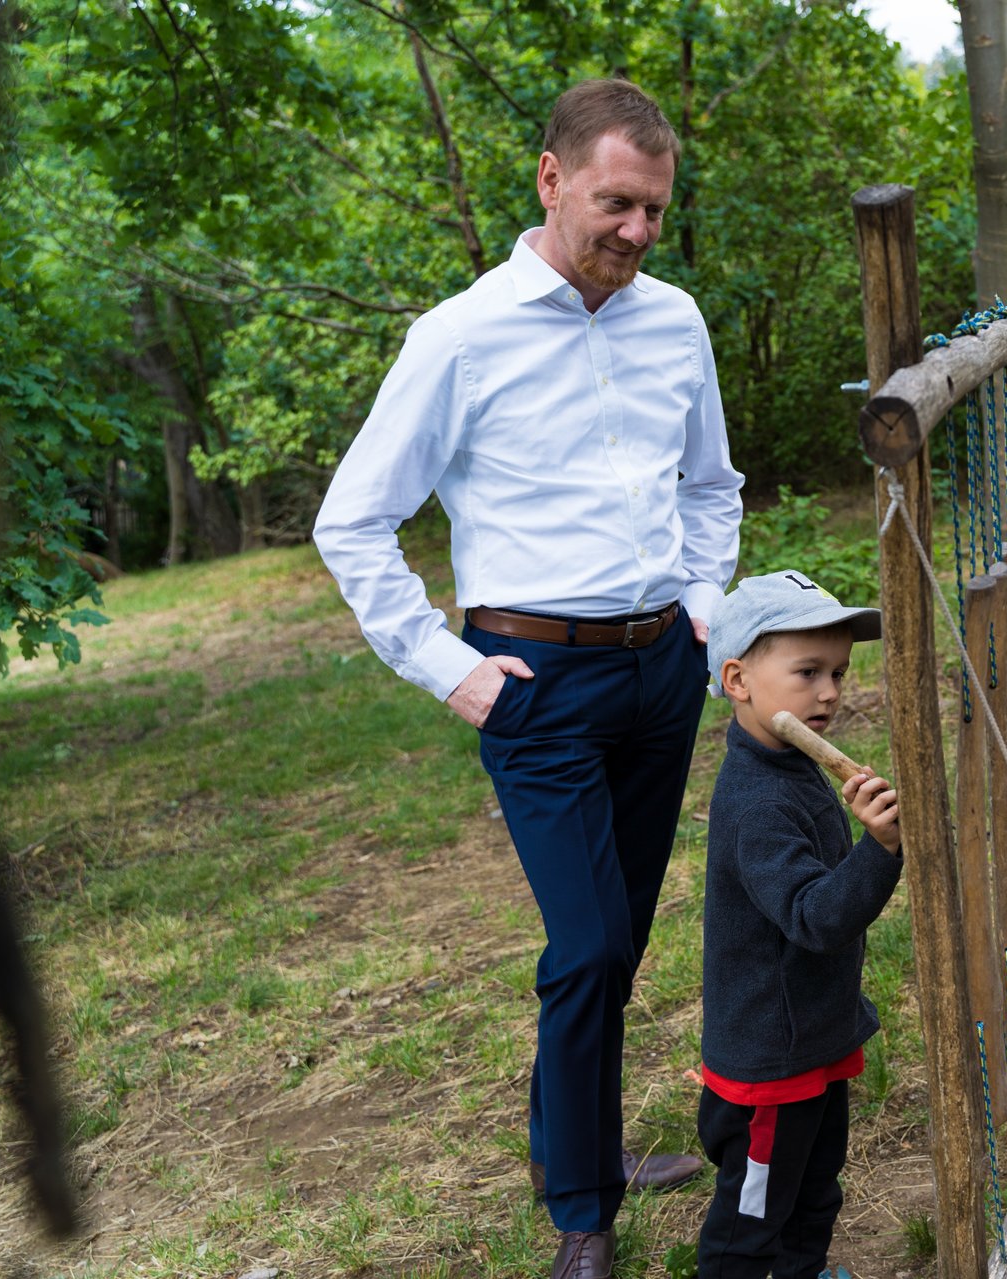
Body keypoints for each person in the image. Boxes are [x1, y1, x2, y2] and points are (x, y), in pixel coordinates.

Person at [312, 77, 743, 1279]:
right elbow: (354, 522)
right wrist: (449, 669)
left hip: (664, 671)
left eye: (656, 210)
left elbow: (711, 486)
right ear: (551, 180)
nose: (639, 233)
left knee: (624, 936)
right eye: (617, 204)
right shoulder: (458, 335)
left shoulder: (678, 322)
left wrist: (707, 606)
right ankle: (580, 1210)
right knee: (589, 940)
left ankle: (589, 1141)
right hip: (534, 684)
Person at [694, 571, 903, 1279]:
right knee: (751, 1216)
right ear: (738, 679)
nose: (830, 692)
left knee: (814, 1190)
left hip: (810, 1037)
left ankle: (804, 1272)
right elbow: (814, 916)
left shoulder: (789, 763)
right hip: (771, 1060)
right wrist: (878, 849)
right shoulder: (758, 800)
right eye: (807, 671)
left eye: (839, 672)